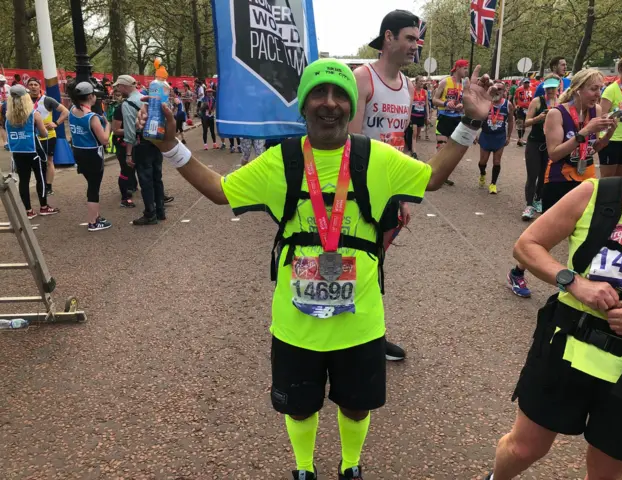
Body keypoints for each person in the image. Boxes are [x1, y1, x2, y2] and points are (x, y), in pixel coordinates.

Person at [135, 58, 493, 480]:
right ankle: (304, 469)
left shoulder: (376, 156)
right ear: (303, 104)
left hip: (360, 323)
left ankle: (351, 465)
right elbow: (218, 190)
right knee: (300, 405)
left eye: (340, 94)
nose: (330, 103)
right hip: (295, 324)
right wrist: (170, 147)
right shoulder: (280, 161)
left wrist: (471, 120)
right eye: (318, 94)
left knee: (357, 405)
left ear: (350, 103)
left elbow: (432, 177)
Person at [485, 127, 622, 480]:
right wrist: (574, 282)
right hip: (568, 345)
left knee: (605, 474)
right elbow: (528, 245)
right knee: (524, 448)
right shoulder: (597, 193)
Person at [507, 69, 617, 298]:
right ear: (578, 89)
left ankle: (585, 281)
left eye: (600, 89)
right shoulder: (556, 114)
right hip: (558, 179)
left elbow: (593, 149)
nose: (598, 94)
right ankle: (517, 272)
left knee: (591, 233)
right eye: (593, 89)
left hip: (586, 180)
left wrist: (606, 136)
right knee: (546, 237)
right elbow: (554, 154)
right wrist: (584, 132)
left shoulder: (595, 111)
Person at [350, 9, 419, 362]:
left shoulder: (407, 85)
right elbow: (349, 144)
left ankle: (367, 334)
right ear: (388, 37)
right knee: (357, 263)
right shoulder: (364, 79)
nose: (415, 44)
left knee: (373, 264)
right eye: (409, 37)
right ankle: (355, 336)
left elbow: (400, 146)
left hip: (389, 194)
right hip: (358, 194)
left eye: (417, 38)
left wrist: (402, 196)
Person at [118, 74, 170, 225]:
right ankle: (160, 211)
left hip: (142, 144)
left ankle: (150, 213)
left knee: (145, 180)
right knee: (157, 177)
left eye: (119, 86)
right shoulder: (149, 99)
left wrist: (128, 153)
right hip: (156, 141)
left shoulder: (127, 104)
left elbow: (129, 131)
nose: (118, 89)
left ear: (124, 86)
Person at [4, 85, 59, 218]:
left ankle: (28, 210)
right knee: (40, 178)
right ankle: (44, 207)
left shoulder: (8, 117)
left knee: (24, 180)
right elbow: (44, 133)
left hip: (17, 151)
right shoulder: (34, 114)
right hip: (34, 150)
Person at [68, 82, 112, 231]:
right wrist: (108, 126)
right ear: (90, 96)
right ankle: (93, 221)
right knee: (94, 187)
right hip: (92, 153)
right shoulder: (92, 117)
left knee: (91, 184)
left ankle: (96, 215)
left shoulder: (72, 110)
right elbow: (104, 139)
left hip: (78, 151)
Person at [521, 76, 559, 221]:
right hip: (535, 143)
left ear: (557, 88)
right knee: (533, 175)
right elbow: (526, 122)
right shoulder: (537, 101)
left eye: (553, 88)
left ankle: (538, 199)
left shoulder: (560, 102)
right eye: (548, 88)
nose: (550, 91)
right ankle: (529, 205)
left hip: (551, 144)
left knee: (545, 175)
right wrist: (539, 118)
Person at [26, 77, 69, 196]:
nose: (33, 87)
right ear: (28, 87)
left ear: (40, 87)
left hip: (48, 136)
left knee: (49, 161)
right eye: (31, 85)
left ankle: (48, 186)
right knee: (35, 162)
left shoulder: (47, 100)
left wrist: (56, 123)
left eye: (35, 84)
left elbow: (65, 111)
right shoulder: (24, 100)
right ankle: (40, 184)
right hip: (31, 137)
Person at [432, 58, 470, 186]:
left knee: (451, 150)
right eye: (464, 68)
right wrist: (445, 103)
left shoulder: (464, 84)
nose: (466, 71)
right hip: (444, 118)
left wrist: (461, 106)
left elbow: (465, 102)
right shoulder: (445, 82)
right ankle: (435, 173)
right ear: (458, 68)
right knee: (442, 146)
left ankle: (443, 175)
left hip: (456, 119)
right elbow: (434, 100)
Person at [477, 81, 514, 194]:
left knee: (496, 161)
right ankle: (483, 173)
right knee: (482, 162)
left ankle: (493, 184)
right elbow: (478, 118)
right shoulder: (486, 103)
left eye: (500, 89)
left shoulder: (508, 105)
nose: (497, 91)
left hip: (499, 136)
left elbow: (511, 120)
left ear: (504, 92)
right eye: (495, 89)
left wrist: (508, 136)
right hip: (486, 135)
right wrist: (475, 133)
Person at [110, 89, 137, 208]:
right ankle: (125, 197)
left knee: (135, 167)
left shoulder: (137, 106)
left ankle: (133, 186)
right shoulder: (119, 109)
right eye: (116, 95)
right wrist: (133, 130)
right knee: (126, 169)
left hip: (135, 142)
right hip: (122, 142)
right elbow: (115, 130)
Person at [406, 76, 428, 158]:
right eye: (420, 81)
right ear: (416, 82)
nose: (422, 83)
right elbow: (410, 103)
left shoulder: (425, 92)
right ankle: (414, 153)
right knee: (414, 134)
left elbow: (426, 105)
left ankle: (412, 149)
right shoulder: (412, 91)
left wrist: (427, 116)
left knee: (417, 134)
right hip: (413, 115)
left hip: (421, 115)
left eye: (423, 81)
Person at [513, 79, 533, 146]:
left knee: (525, 124)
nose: (526, 84)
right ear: (523, 83)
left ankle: (521, 138)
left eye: (527, 83)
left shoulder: (532, 90)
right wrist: (516, 105)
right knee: (520, 123)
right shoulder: (519, 89)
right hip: (520, 109)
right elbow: (515, 98)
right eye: (525, 83)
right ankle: (520, 138)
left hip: (528, 109)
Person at [0, 74, 10, 150]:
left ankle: (10, 141)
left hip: (8, 107)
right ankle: (6, 143)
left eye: (3, 81)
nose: (2, 83)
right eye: (0, 81)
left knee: (8, 124)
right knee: (2, 126)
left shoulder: (7, 87)